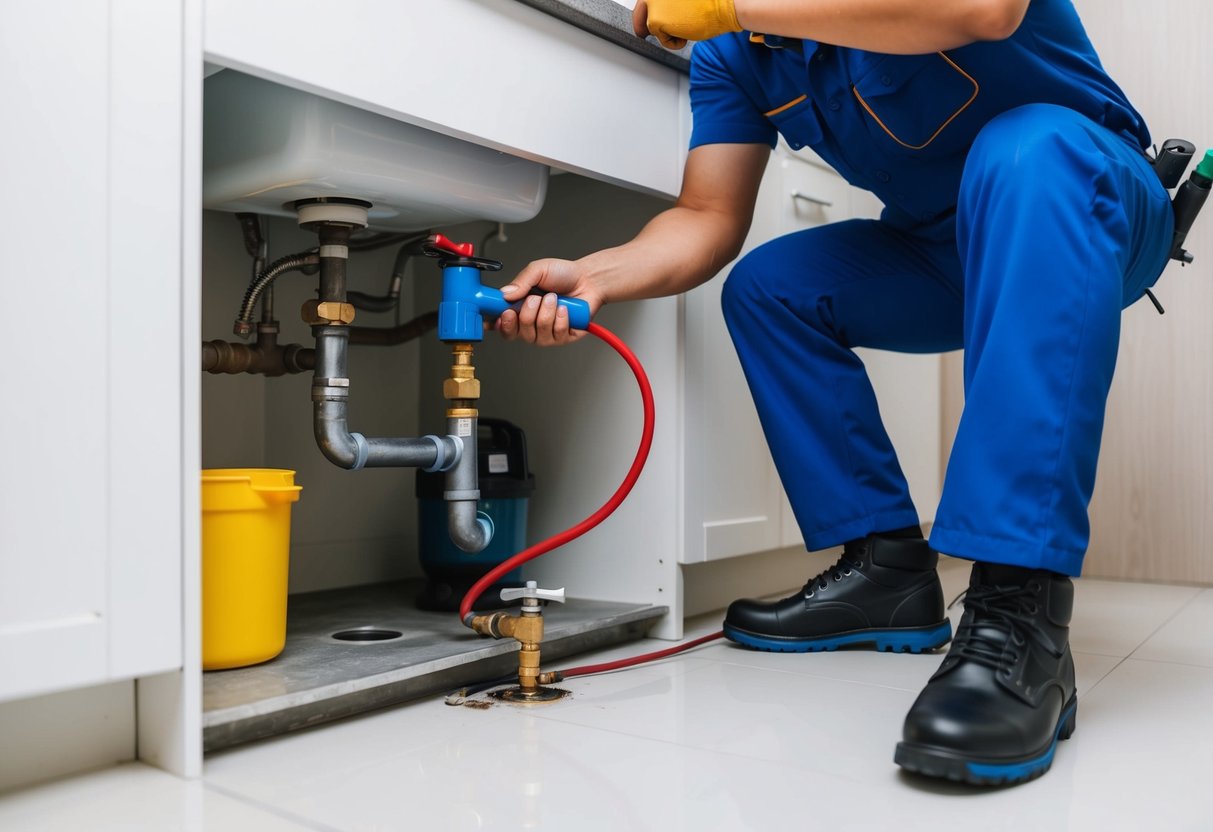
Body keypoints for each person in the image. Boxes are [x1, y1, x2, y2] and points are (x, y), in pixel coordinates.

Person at [495, 0, 1173, 786]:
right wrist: (596, 276)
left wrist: (726, 1)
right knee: (769, 288)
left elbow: (982, 11)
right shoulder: (732, 51)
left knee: (1028, 148)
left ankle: (1018, 612)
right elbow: (707, 215)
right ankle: (886, 570)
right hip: (940, 251)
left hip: (1087, 198)